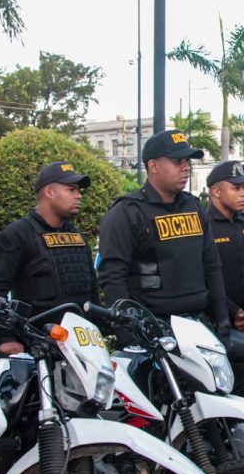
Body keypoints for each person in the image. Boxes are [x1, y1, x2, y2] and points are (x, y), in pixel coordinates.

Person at [97, 130, 229, 336]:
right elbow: (113, 278)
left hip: (200, 325)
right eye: (177, 161)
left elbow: (212, 265)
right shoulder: (127, 213)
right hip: (154, 329)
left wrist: (222, 319)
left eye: (187, 161)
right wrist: (129, 334)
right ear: (153, 166)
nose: (186, 168)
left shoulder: (193, 206)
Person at [0, 161, 100, 354]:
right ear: (49, 192)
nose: (79, 196)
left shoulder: (77, 236)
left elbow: (91, 289)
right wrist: (6, 337)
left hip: (80, 343)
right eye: (71, 190)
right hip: (36, 344)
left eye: (78, 191)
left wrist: (99, 328)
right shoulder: (18, 234)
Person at [205, 160, 244, 334]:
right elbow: (202, 277)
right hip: (217, 321)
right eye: (236, 188)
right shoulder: (204, 226)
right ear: (216, 191)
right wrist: (234, 312)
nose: (243, 193)